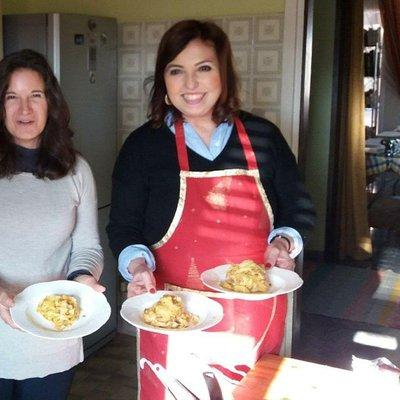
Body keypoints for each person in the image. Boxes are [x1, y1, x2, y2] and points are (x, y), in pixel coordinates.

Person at [107, 20, 315, 399]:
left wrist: (284, 242)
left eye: (203, 68)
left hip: (253, 317)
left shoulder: (264, 137)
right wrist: (137, 267)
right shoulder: (142, 147)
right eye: (176, 71)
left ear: (223, 74)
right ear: (163, 82)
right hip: (175, 317)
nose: (191, 84)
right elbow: (123, 228)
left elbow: (297, 209)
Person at [0, 49, 105, 400]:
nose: (24, 109)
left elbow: (87, 246)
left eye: (36, 96)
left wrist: (84, 278)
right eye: (12, 97)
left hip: (52, 340)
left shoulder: (77, 171)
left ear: (52, 105)